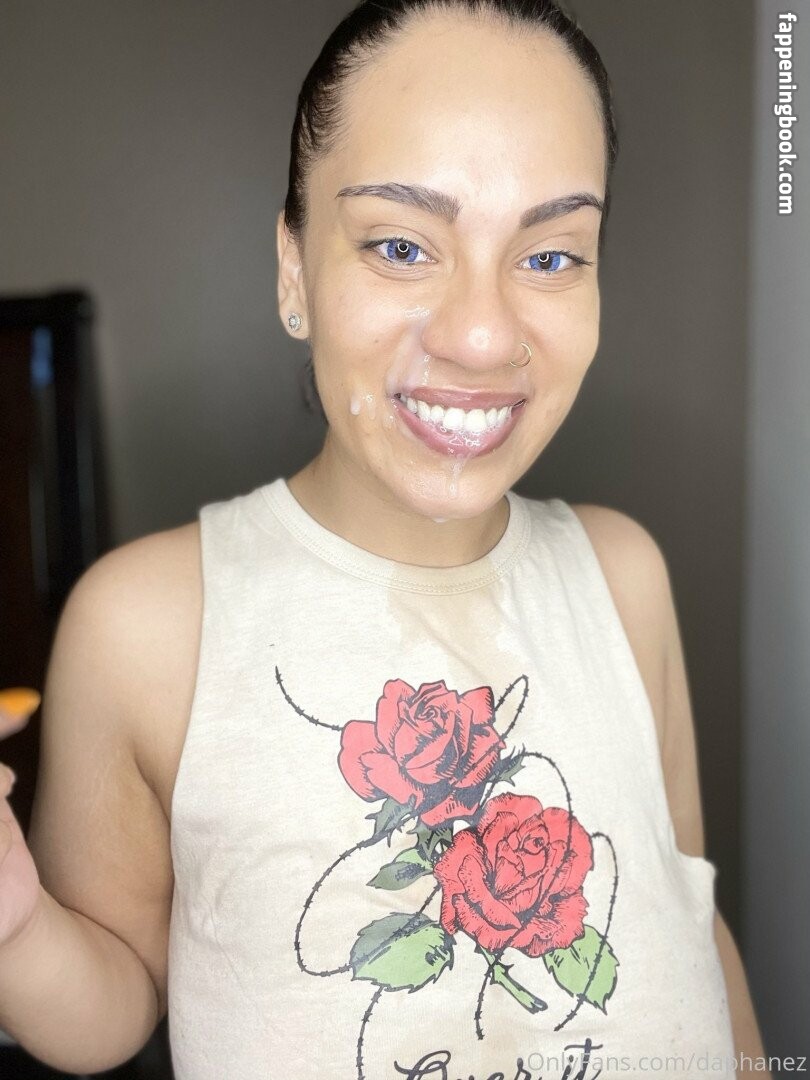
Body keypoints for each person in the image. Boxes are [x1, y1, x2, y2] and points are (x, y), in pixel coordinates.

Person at [0, 1, 770, 1077]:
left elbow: (689, 924)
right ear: (293, 269)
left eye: (553, 255)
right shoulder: (147, 625)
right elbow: (115, 1001)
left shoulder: (624, 576)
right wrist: (15, 923)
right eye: (402, 246)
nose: (483, 335)